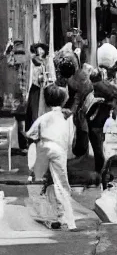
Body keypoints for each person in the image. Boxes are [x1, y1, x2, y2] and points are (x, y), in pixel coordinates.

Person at [26, 83, 77, 231]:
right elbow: (70, 139)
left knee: (39, 182)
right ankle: (68, 220)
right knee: (62, 185)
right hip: (59, 150)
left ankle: (47, 216)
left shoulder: (44, 117)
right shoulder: (67, 117)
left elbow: (31, 134)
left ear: (46, 101)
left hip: (43, 147)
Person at [25, 42, 50, 131]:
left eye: (42, 49)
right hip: (36, 87)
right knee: (33, 109)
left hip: (43, 87)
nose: (40, 51)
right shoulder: (34, 60)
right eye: (38, 49)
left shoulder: (46, 61)